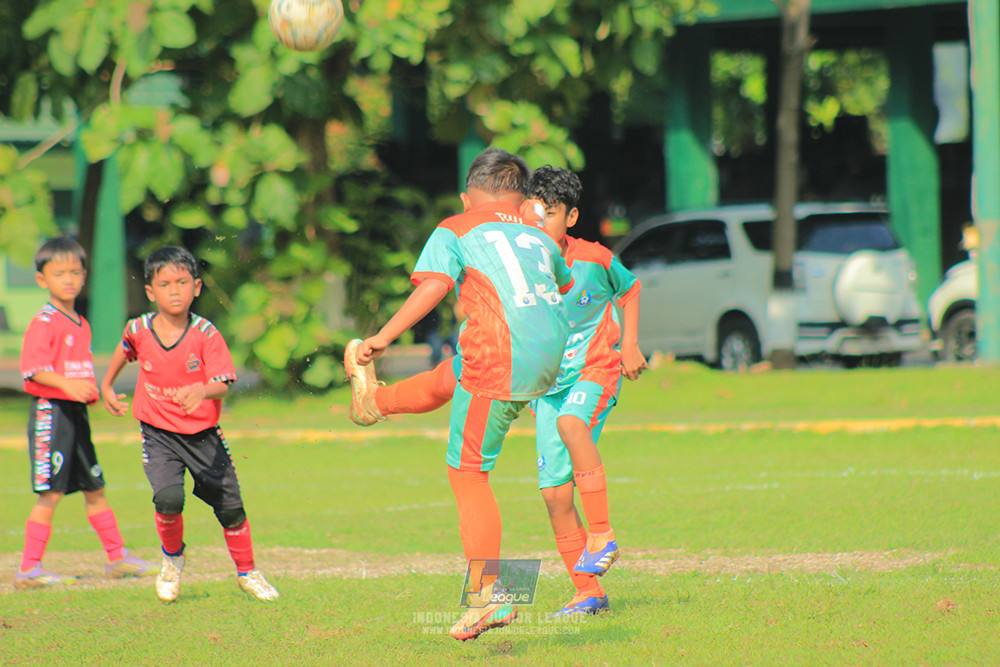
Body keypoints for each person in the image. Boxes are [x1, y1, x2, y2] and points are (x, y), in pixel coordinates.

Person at [344, 148, 574, 641]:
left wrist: (383, 336)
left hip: (502, 356)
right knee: (457, 371)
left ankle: (491, 595)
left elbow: (435, 285)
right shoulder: (538, 234)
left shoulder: (457, 225)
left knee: (468, 472)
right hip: (550, 357)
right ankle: (373, 403)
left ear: (468, 197)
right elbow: (562, 279)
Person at [100, 246, 279, 603]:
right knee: (168, 498)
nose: (175, 290)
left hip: (203, 437)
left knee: (230, 509)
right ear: (151, 292)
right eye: (165, 284)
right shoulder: (139, 329)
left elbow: (224, 382)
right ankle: (172, 559)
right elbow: (124, 349)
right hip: (159, 434)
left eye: (182, 282)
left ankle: (247, 571)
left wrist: (202, 390)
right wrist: (106, 385)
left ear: (196, 287)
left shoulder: (205, 333)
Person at [526, 166, 646, 616]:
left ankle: (602, 532)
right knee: (555, 496)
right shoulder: (525, 269)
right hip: (548, 389)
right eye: (534, 213)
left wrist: (629, 344)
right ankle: (587, 591)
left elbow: (630, 288)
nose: (540, 222)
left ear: (571, 218)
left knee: (572, 424)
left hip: (594, 371)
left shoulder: (593, 260)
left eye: (551, 214)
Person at [17, 237, 153, 589]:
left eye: (76, 272)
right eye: (59, 273)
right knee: (51, 492)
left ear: (85, 276)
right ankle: (29, 569)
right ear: (41, 280)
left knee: (95, 489)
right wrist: (65, 386)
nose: (69, 279)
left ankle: (117, 558)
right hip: (52, 414)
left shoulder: (80, 322)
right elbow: (32, 369)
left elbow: (80, 372)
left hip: (76, 414)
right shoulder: (44, 321)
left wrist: (95, 394)